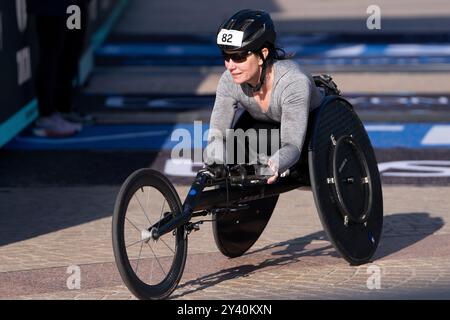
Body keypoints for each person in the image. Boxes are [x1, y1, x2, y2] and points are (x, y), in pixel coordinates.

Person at [204, 9, 323, 184]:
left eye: (239, 57)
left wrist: (274, 164)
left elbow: (293, 145)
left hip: (312, 136)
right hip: (265, 130)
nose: (230, 66)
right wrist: (215, 161)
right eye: (226, 57)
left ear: (263, 54)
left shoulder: (293, 83)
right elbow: (217, 135)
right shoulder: (228, 80)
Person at [27, 0, 93, 137]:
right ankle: (47, 114)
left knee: (71, 49)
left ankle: (64, 107)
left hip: (73, 4)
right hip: (53, 5)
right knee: (51, 52)